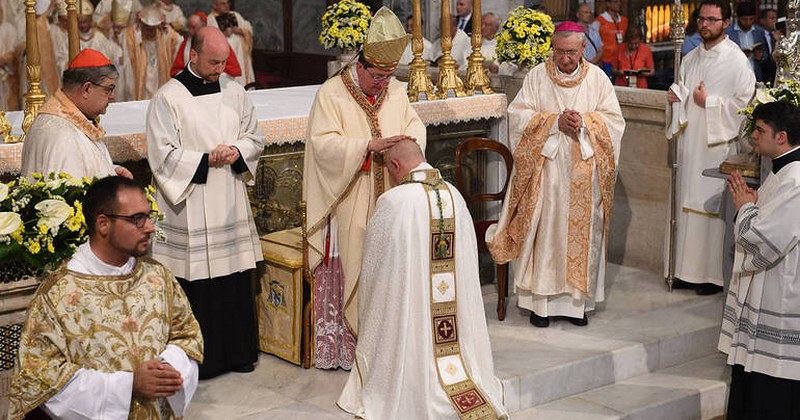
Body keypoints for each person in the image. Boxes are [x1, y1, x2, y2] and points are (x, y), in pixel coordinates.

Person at [7, 176, 204, 419]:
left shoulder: (157, 277)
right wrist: (128, 385)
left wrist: (167, 366)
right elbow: (40, 378)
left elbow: (188, 335)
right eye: (137, 219)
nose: (150, 227)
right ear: (102, 224)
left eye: (148, 216)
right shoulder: (57, 294)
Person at [337, 140, 507, 419]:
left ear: (394, 166)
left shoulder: (394, 201)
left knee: (411, 325)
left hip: (413, 314)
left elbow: (375, 269)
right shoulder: (454, 195)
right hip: (450, 320)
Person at [303, 6, 425, 369]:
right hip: (348, 199)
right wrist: (364, 147)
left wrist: (405, 145)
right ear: (362, 64)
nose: (384, 84)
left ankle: (383, 345)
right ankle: (347, 347)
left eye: (390, 77)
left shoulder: (397, 92)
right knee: (353, 266)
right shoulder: (331, 93)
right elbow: (321, 145)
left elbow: (416, 127)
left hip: (391, 197)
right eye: (379, 77)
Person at [486, 22, 625, 328]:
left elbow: (615, 121)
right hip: (545, 174)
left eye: (571, 52)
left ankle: (577, 308)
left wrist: (586, 123)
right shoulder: (537, 76)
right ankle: (541, 306)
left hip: (583, 174)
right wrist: (552, 123)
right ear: (553, 49)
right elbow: (518, 116)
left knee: (580, 236)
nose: (565, 59)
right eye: (560, 52)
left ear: (582, 49)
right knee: (545, 236)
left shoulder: (598, 80)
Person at [146, 26, 264, 379]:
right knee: (198, 283)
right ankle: (203, 361)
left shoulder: (235, 91)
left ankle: (239, 353)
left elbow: (253, 136)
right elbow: (161, 153)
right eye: (214, 62)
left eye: (224, 62)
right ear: (192, 55)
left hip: (228, 197)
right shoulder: (168, 98)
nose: (220, 69)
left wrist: (238, 150)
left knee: (233, 279)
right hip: (191, 204)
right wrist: (204, 160)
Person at [665, 0, 755, 295]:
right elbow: (681, 89)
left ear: (725, 22)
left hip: (715, 148)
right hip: (689, 145)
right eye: (702, 19)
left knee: (711, 209)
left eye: (712, 20)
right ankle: (683, 271)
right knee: (685, 205)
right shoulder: (690, 58)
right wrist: (676, 98)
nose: (705, 25)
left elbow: (744, 106)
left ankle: (711, 277)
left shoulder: (737, 60)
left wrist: (710, 104)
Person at [719, 101, 800, 420]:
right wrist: (753, 204)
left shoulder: (795, 181)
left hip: (782, 297)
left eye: (760, 130)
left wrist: (743, 208)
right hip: (772, 291)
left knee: (772, 392)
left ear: (781, 137)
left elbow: (764, 243)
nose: (753, 135)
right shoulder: (783, 170)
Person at [21, 49, 132, 180]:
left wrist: (111, 171)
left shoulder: (63, 121)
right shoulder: (62, 135)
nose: (112, 97)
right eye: (109, 89)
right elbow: (66, 192)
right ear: (86, 89)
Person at [117, 4, 181, 101]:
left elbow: (179, 41)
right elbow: (120, 37)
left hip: (158, 74)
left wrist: (166, 27)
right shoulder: (132, 35)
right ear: (141, 24)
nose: (150, 32)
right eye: (147, 28)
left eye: (153, 29)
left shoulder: (165, 33)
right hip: (140, 75)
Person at [169, 11, 242, 79]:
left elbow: (232, 69)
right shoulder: (186, 43)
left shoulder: (218, 41)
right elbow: (176, 70)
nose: (190, 31)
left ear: (203, 25)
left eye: (193, 27)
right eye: (189, 27)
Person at [208, 0, 254, 86]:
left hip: (240, 52)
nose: (226, 6)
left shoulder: (235, 15)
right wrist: (223, 34)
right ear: (215, 5)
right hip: (225, 54)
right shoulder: (210, 19)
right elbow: (210, 38)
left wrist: (239, 30)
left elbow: (248, 28)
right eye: (223, 3)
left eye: (227, 3)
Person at [725, 1, 769, 83]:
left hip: (755, 77)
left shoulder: (759, 31)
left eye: (751, 19)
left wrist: (761, 57)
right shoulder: (728, 32)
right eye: (744, 19)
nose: (748, 22)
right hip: (735, 77)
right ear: (738, 17)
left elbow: (766, 55)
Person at [592, 0, 627, 71]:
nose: (619, 4)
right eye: (615, 2)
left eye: (619, 2)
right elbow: (593, 42)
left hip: (621, 62)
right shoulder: (599, 21)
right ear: (608, 4)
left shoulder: (624, 21)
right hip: (605, 62)